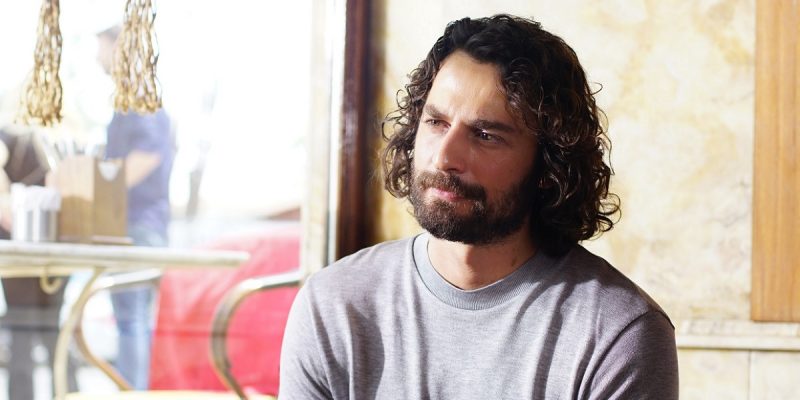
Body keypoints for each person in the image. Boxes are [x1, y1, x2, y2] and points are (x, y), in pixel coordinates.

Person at [280, 14, 678, 399]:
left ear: (548, 165)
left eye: (486, 135)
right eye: (436, 122)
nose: (444, 157)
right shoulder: (334, 307)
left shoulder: (616, 334)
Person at [96, 25, 175, 390]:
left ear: (121, 49)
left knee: (132, 319)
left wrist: (99, 188)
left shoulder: (141, 98)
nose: (98, 58)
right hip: (130, 225)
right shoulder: (128, 101)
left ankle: (132, 393)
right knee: (132, 318)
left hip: (138, 226)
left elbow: (145, 157)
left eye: (103, 49)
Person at [0, 127, 78, 399]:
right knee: (37, 334)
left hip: (47, 253)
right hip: (26, 254)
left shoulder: (54, 143)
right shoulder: (13, 138)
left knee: (44, 333)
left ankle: (67, 394)